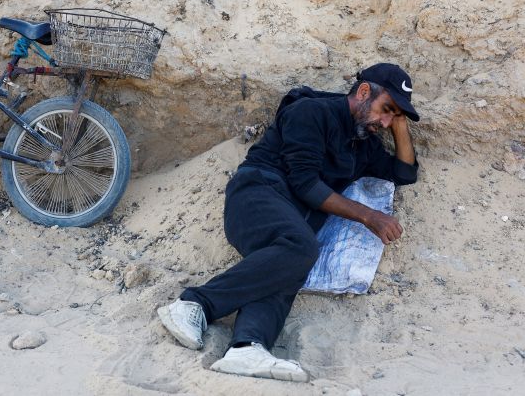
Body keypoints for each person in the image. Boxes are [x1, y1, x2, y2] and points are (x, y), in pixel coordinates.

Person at [157, 63, 420, 382]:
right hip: (256, 196)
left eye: (393, 115)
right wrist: (369, 216)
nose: (385, 120)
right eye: (385, 109)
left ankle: (247, 347)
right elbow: (305, 183)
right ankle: (194, 303)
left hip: (292, 226)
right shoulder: (310, 111)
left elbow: (405, 173)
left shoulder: (365, 146)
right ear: (364, 92)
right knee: (301, 246)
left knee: (289, 265)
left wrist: (400, 125)